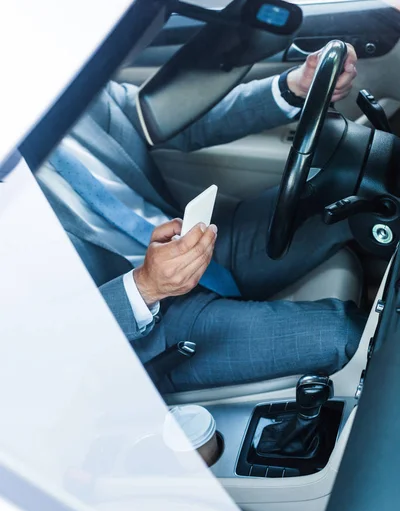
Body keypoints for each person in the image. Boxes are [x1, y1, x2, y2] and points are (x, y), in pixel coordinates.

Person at [37, 43, 365, 392]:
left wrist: (293, 87)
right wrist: (145, 287)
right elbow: (28, 340)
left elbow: (164, 118)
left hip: (197, 239)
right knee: (349, 335)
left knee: (361, 193)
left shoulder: (47, 86)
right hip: (148, 327)